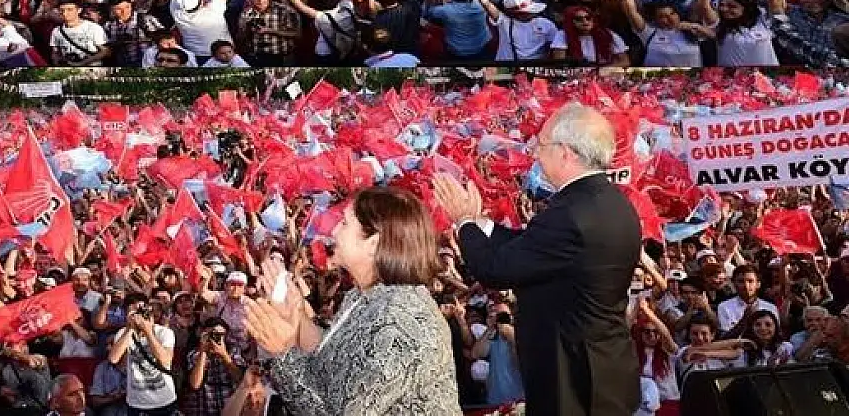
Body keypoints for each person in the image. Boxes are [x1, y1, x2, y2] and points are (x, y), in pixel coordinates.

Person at [434, 102, 642, 416]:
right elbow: (532, 247)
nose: (534, 154)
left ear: (565, 152)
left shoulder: (570, 213)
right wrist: (482, 224)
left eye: (541, 145)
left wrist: (463, 222)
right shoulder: (613, 204)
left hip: (573, 381)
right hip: (603, 370)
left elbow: (494, 270)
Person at [243, 187, 463, 415]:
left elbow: (339, 410)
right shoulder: (361, 296)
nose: (335, 230)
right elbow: (329, 359)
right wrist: (296, 313)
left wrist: (283, 353)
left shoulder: (400, 322)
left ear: (372, 244)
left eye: (345, 223)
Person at [108, 292, 178, 416]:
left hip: (164, 399)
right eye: (133, 313)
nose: (137, 317)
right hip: (137, 403)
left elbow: (165, 360)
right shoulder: (123, 333)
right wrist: (130, 329)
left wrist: (148, 331)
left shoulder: (164, 332)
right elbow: (113, 358)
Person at [50, 0, 111, 66]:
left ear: (79, 10)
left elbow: (105, 51)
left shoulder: (93, 28)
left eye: (70, 10)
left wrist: (82, 63)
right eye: (62, 10)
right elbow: (55, 52)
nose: (65, 13)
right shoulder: (56, 31)